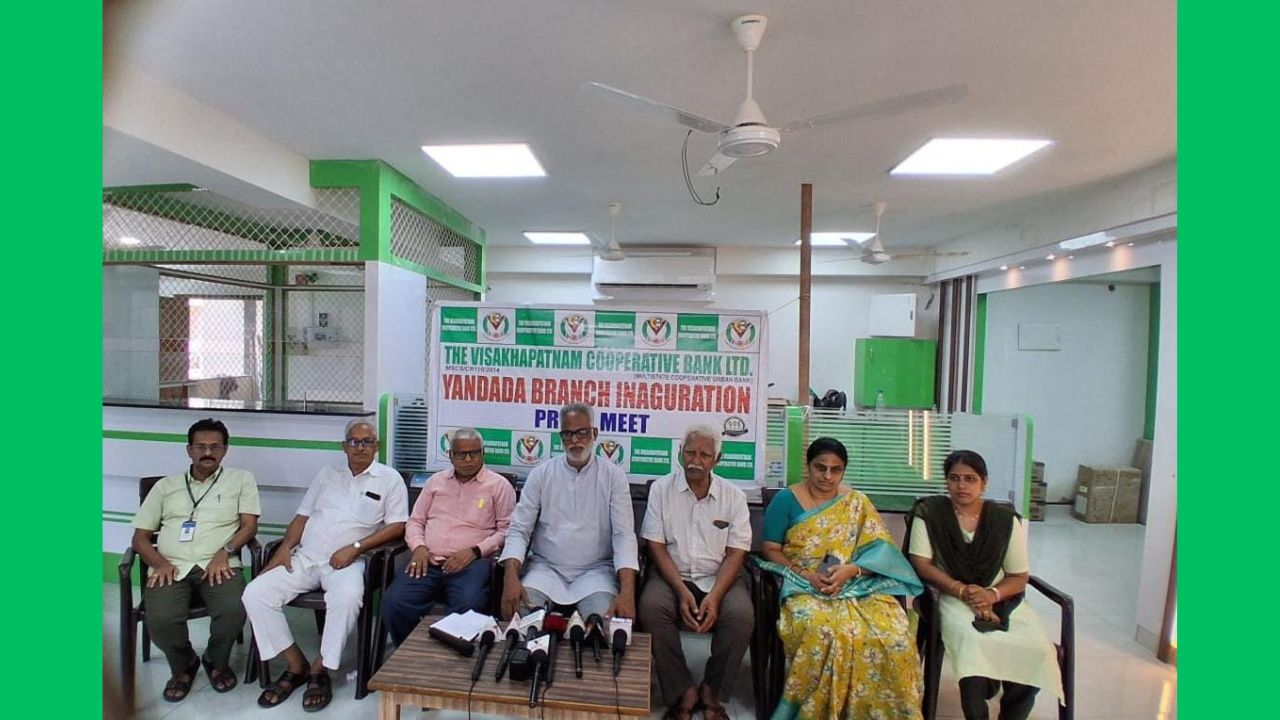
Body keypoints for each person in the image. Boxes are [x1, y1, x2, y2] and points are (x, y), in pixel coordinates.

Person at [242, 419, 407, 712]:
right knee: (255, 593)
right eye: (354, 441)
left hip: (349, 562)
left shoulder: (389, 478)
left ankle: (320, 669)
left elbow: (397, 526)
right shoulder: (327, 474)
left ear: (377, 446)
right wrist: (285, 548)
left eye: (367, 442)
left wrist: (355, 548)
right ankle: (295, 665)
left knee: (347, 597)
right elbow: (302, 517)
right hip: (306, 557)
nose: (360, 447)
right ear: (344, 446)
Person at [759, 437, 924, 719]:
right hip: (803, 585)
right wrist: (806, 575)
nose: (827, 476)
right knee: (823, 632)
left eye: (835, 470)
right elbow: (770, 549)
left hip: (856, 585)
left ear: (843, 471)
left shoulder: (856, 502)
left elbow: (881, 552)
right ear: (808, 466)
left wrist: (852, 570)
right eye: (820, 468)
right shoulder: (786, 500)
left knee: (894, 634)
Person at [906, 450, 1065, 720]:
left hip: (1001, 598)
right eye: (954, 478)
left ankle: (1013, 714)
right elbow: (921, 564)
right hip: (950, 596)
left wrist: (991, 595)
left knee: (1037, 649)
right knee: (973, 644)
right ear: (946, 482)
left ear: (984, 483)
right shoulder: (931, 514)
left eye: (970, 479)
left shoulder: (1003, 520)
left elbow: (1018, 576)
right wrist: (961, 590)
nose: (961, 485)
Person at [129, 418, 261, 702]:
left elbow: (249, 527)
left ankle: (216, 660)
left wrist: (225, 552)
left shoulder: (241, 479)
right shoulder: (165, 486)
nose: (207, 453)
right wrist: (160, 563)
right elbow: (140, 538)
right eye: (200, 447)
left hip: (220, 564)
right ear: (189, 450)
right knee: (160, 619)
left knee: (234, 609)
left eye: (215, 447)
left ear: (225, 450)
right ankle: (184, 664)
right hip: (171, 566)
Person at [639, 424, 753, 720]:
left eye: (704, 455)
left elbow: (736, 553)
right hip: (671, 575)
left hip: (720, 577)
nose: (695, 461)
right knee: (651, 608)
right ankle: (683, 691)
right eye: (690, 453)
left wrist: (714, 596)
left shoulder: (733, 496)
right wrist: (680, 590)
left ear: (717, 459)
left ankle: (711, 692)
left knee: (741, 616)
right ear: (680, 453)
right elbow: (655, 545)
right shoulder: (661, 490)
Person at [499, 402, 639, 621]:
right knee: (523, 617)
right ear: (561, 437)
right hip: (545, 570)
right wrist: (510, 577)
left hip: (595, 573)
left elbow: (624, 536)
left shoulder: (613, 477)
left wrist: (627, 592)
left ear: (594, 433)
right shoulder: (541, 474)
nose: (575, 440)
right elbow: (519, 530)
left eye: (582, 432)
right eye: (568, 434)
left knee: (604, 623)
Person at [380, 427, 517, 646]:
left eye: (474, 453)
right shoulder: (435, 482)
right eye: (461, 454)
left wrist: (475, 551)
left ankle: (452, 655)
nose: (468, 459)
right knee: (394, 603)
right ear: (451, 455)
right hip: (428, 560)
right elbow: (415, 521)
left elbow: (506, 531)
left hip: (471, 563)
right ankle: (413, 652)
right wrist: (419, 547)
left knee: (469, 604)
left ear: (483, 453)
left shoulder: (499, 486)